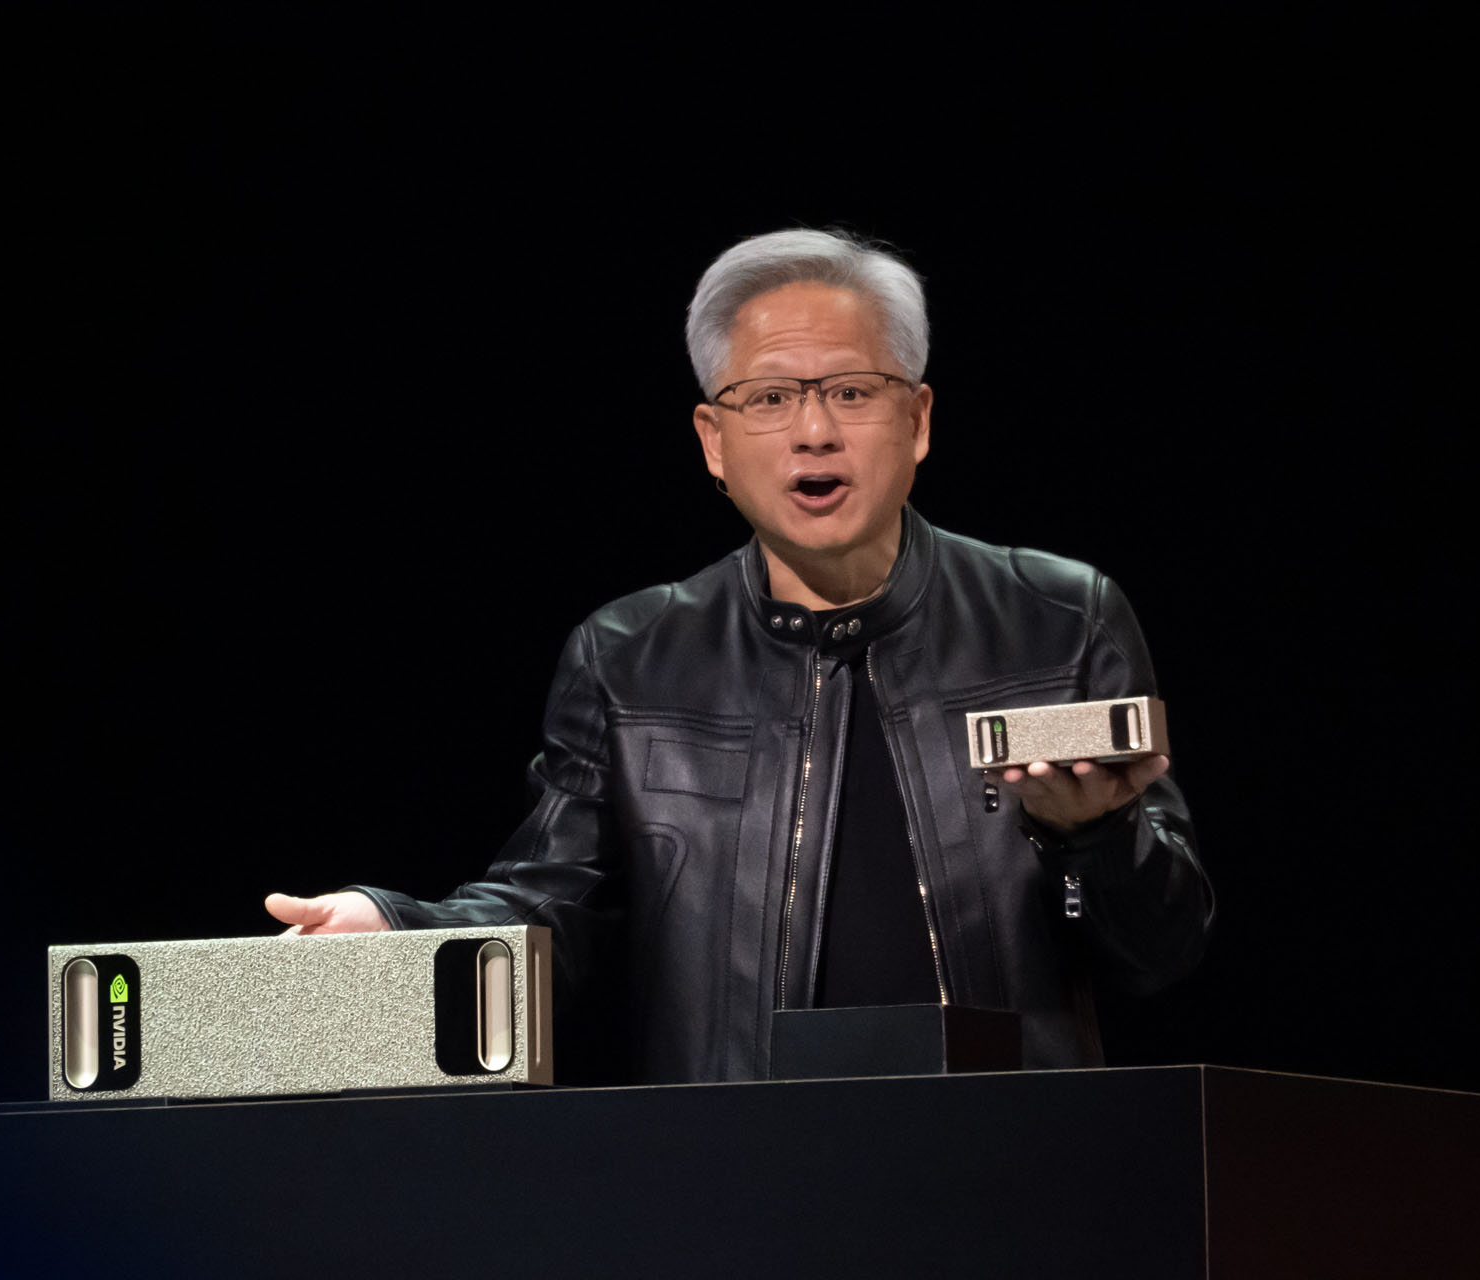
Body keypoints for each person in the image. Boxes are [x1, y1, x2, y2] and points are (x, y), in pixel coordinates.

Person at [266, 229, 1213, 1083]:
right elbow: (554, 912)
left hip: (1010, 1162)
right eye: (769, 398)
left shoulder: (1060, 619)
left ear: (919, 420)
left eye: (851, 391)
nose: (814, 430)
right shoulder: (630, 657)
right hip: (736, 1170)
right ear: (713, 442)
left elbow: (1164, 956)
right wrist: (400, 930)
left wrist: (1095, 837)